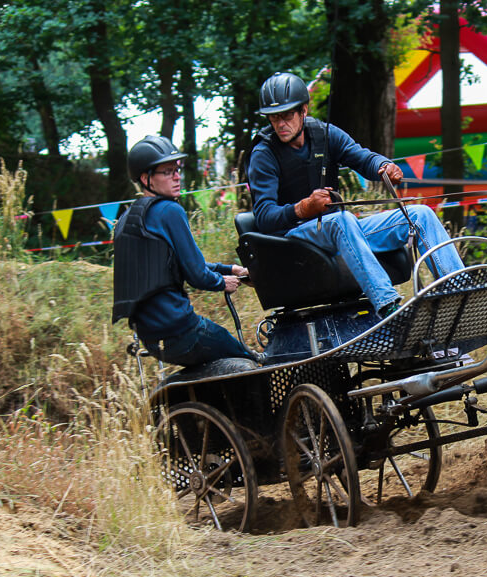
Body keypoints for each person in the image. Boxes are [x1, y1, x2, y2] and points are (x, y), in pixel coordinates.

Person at [247, 72, 465, 318]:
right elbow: (264, 217)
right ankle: (389, 308)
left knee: (420, 214)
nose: (280, 124)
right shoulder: (264, 153)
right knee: (341, 219)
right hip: (293, 241)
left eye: (286, 115)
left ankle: (459, 294)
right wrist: (302, 208)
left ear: (303, 110)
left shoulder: (325, 134)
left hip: (337, 231)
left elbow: (362, 157)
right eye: (274, 118)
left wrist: (383, 166)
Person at [112, 135, 254, 366]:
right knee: (247, 360)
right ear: (145, 178)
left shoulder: (129, 219)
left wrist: (231, 269)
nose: (177, 177)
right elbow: (197, 275)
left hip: (153, 340)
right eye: (167, 172)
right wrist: (222, 282)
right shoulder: (169, 210)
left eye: (177, 169)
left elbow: (176, 265)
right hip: (181, 331)